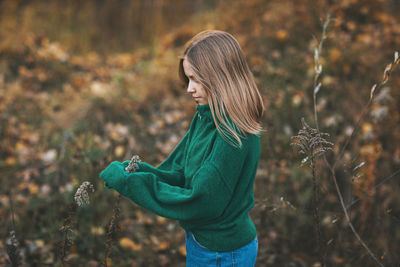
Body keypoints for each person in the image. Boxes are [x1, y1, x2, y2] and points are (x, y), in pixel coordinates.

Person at [100, 30, 264, 267]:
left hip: (222, 253)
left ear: (220, 77)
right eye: (188, 79)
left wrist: (132, 184)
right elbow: (179, 174)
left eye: (196, 79)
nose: (189, 89)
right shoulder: (206, 118)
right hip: (204, 242)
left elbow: (202, 201)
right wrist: (135, 171)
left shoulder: (232, 135)